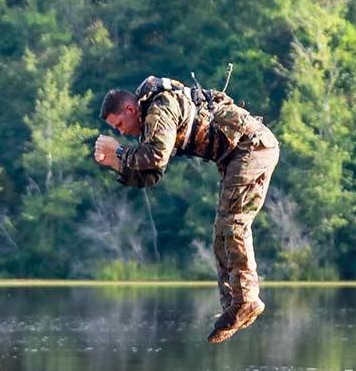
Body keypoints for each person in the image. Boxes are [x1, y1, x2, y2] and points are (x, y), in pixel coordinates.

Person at [94, 75, 279, 344]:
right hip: (237, 155)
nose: (122, 132)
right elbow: (150, 175)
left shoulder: (161, 106)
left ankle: (247, 301)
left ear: (131, 109)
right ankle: (234, 307)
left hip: (252, 147)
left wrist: (120, 151)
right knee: (222, 231)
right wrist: (115, 163)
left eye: (120, 124)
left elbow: (155, 155)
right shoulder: (150, 124)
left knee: (234, 224)